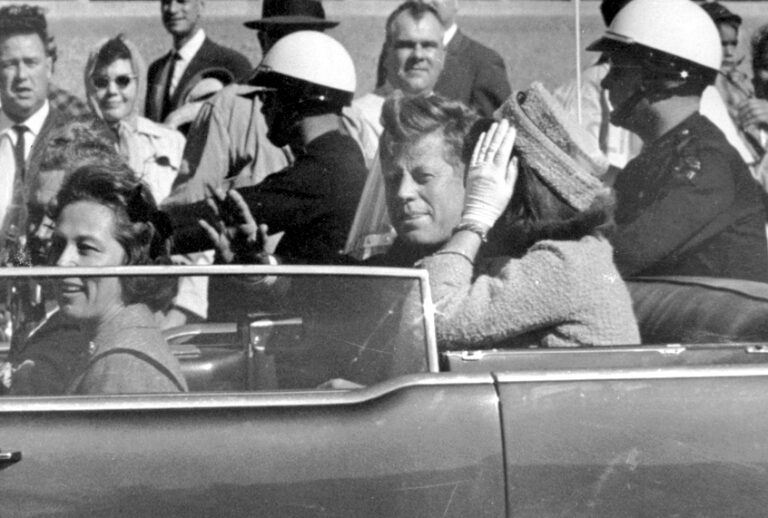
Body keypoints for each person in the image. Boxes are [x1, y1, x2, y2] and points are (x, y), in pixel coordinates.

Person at [375, 90, 639, 349]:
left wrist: (476, 217)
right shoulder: (549, 256)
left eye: (487, 172)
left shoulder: (567, 263)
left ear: (517, 182)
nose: (479, 181)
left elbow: (431, 324)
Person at [589, 0, 768, 282]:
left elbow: (614, 260)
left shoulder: (706, 165)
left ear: (663, 78)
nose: (605, 83)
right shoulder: (663, 157)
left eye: (618, 69)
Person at [166, 31, 367, 267]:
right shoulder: (343, 154)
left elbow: (241, 210)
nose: (261, 108)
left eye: (268, 97)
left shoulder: (326, 168)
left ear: (296, 97)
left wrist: (154, 226)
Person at [7, 164, 188, 395]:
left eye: (86, 248)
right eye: (59, 245)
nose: (62, 263)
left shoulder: (122, 368)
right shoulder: (109, 345)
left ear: (132, 260)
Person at [374, 0, 509, 118]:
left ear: (456, 3)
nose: (425, 1)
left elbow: (494, 127)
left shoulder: (484, 62)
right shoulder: (395, 50)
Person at [0, 5, 64, 255]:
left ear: (48, 66)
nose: (21, 75)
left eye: (31, 62)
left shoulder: (78, 139)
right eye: (9, 64)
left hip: (49, 286)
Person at [145, 0, 251, 128]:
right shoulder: (156, 69)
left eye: (182, 1)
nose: (172, 9)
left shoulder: (232, 65)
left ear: (200, 6)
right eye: (166, 2)